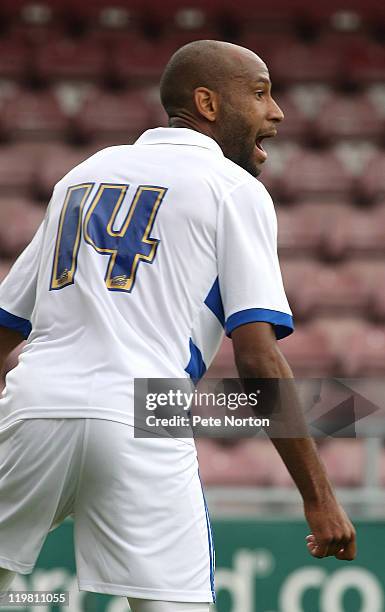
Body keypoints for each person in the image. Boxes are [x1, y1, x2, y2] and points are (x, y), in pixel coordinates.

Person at [0, 40, 355, 612]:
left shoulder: (82, 176)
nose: (278, 111)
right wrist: (319, 499)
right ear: (208, 103)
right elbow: (259, 359)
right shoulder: (234, 189)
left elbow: (5, 325)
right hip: (142, 416)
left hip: (34, 404)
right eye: (261, 93)